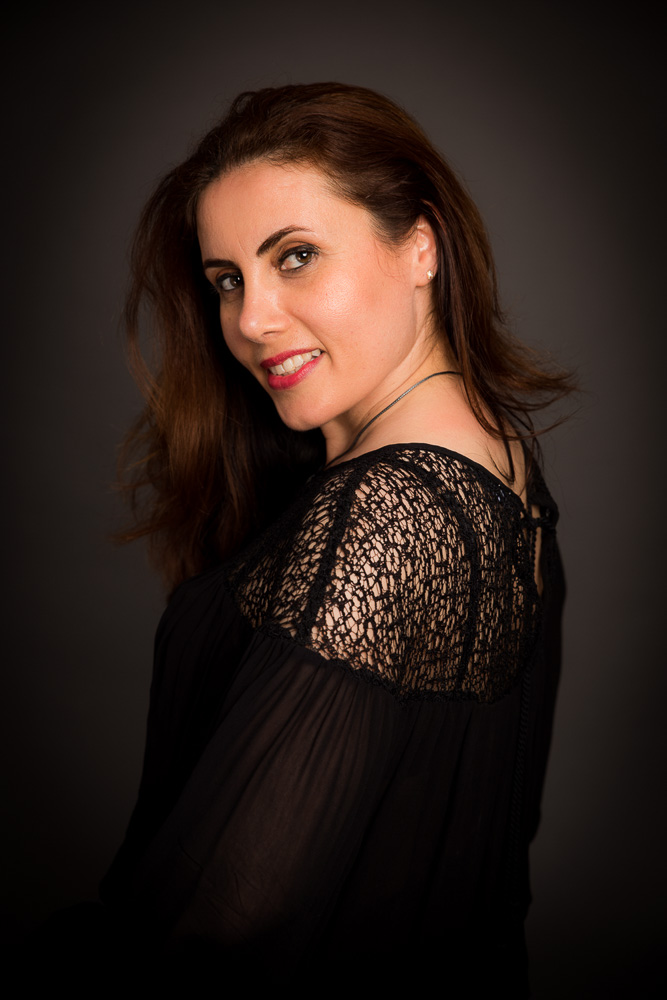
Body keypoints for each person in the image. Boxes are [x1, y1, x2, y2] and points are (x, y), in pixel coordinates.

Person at [101, 83, 572, 993]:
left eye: (297, 256)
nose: (251, 319)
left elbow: (222, 922)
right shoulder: (491, 452)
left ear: (420, 247)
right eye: (228, 280)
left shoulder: (390, 509)